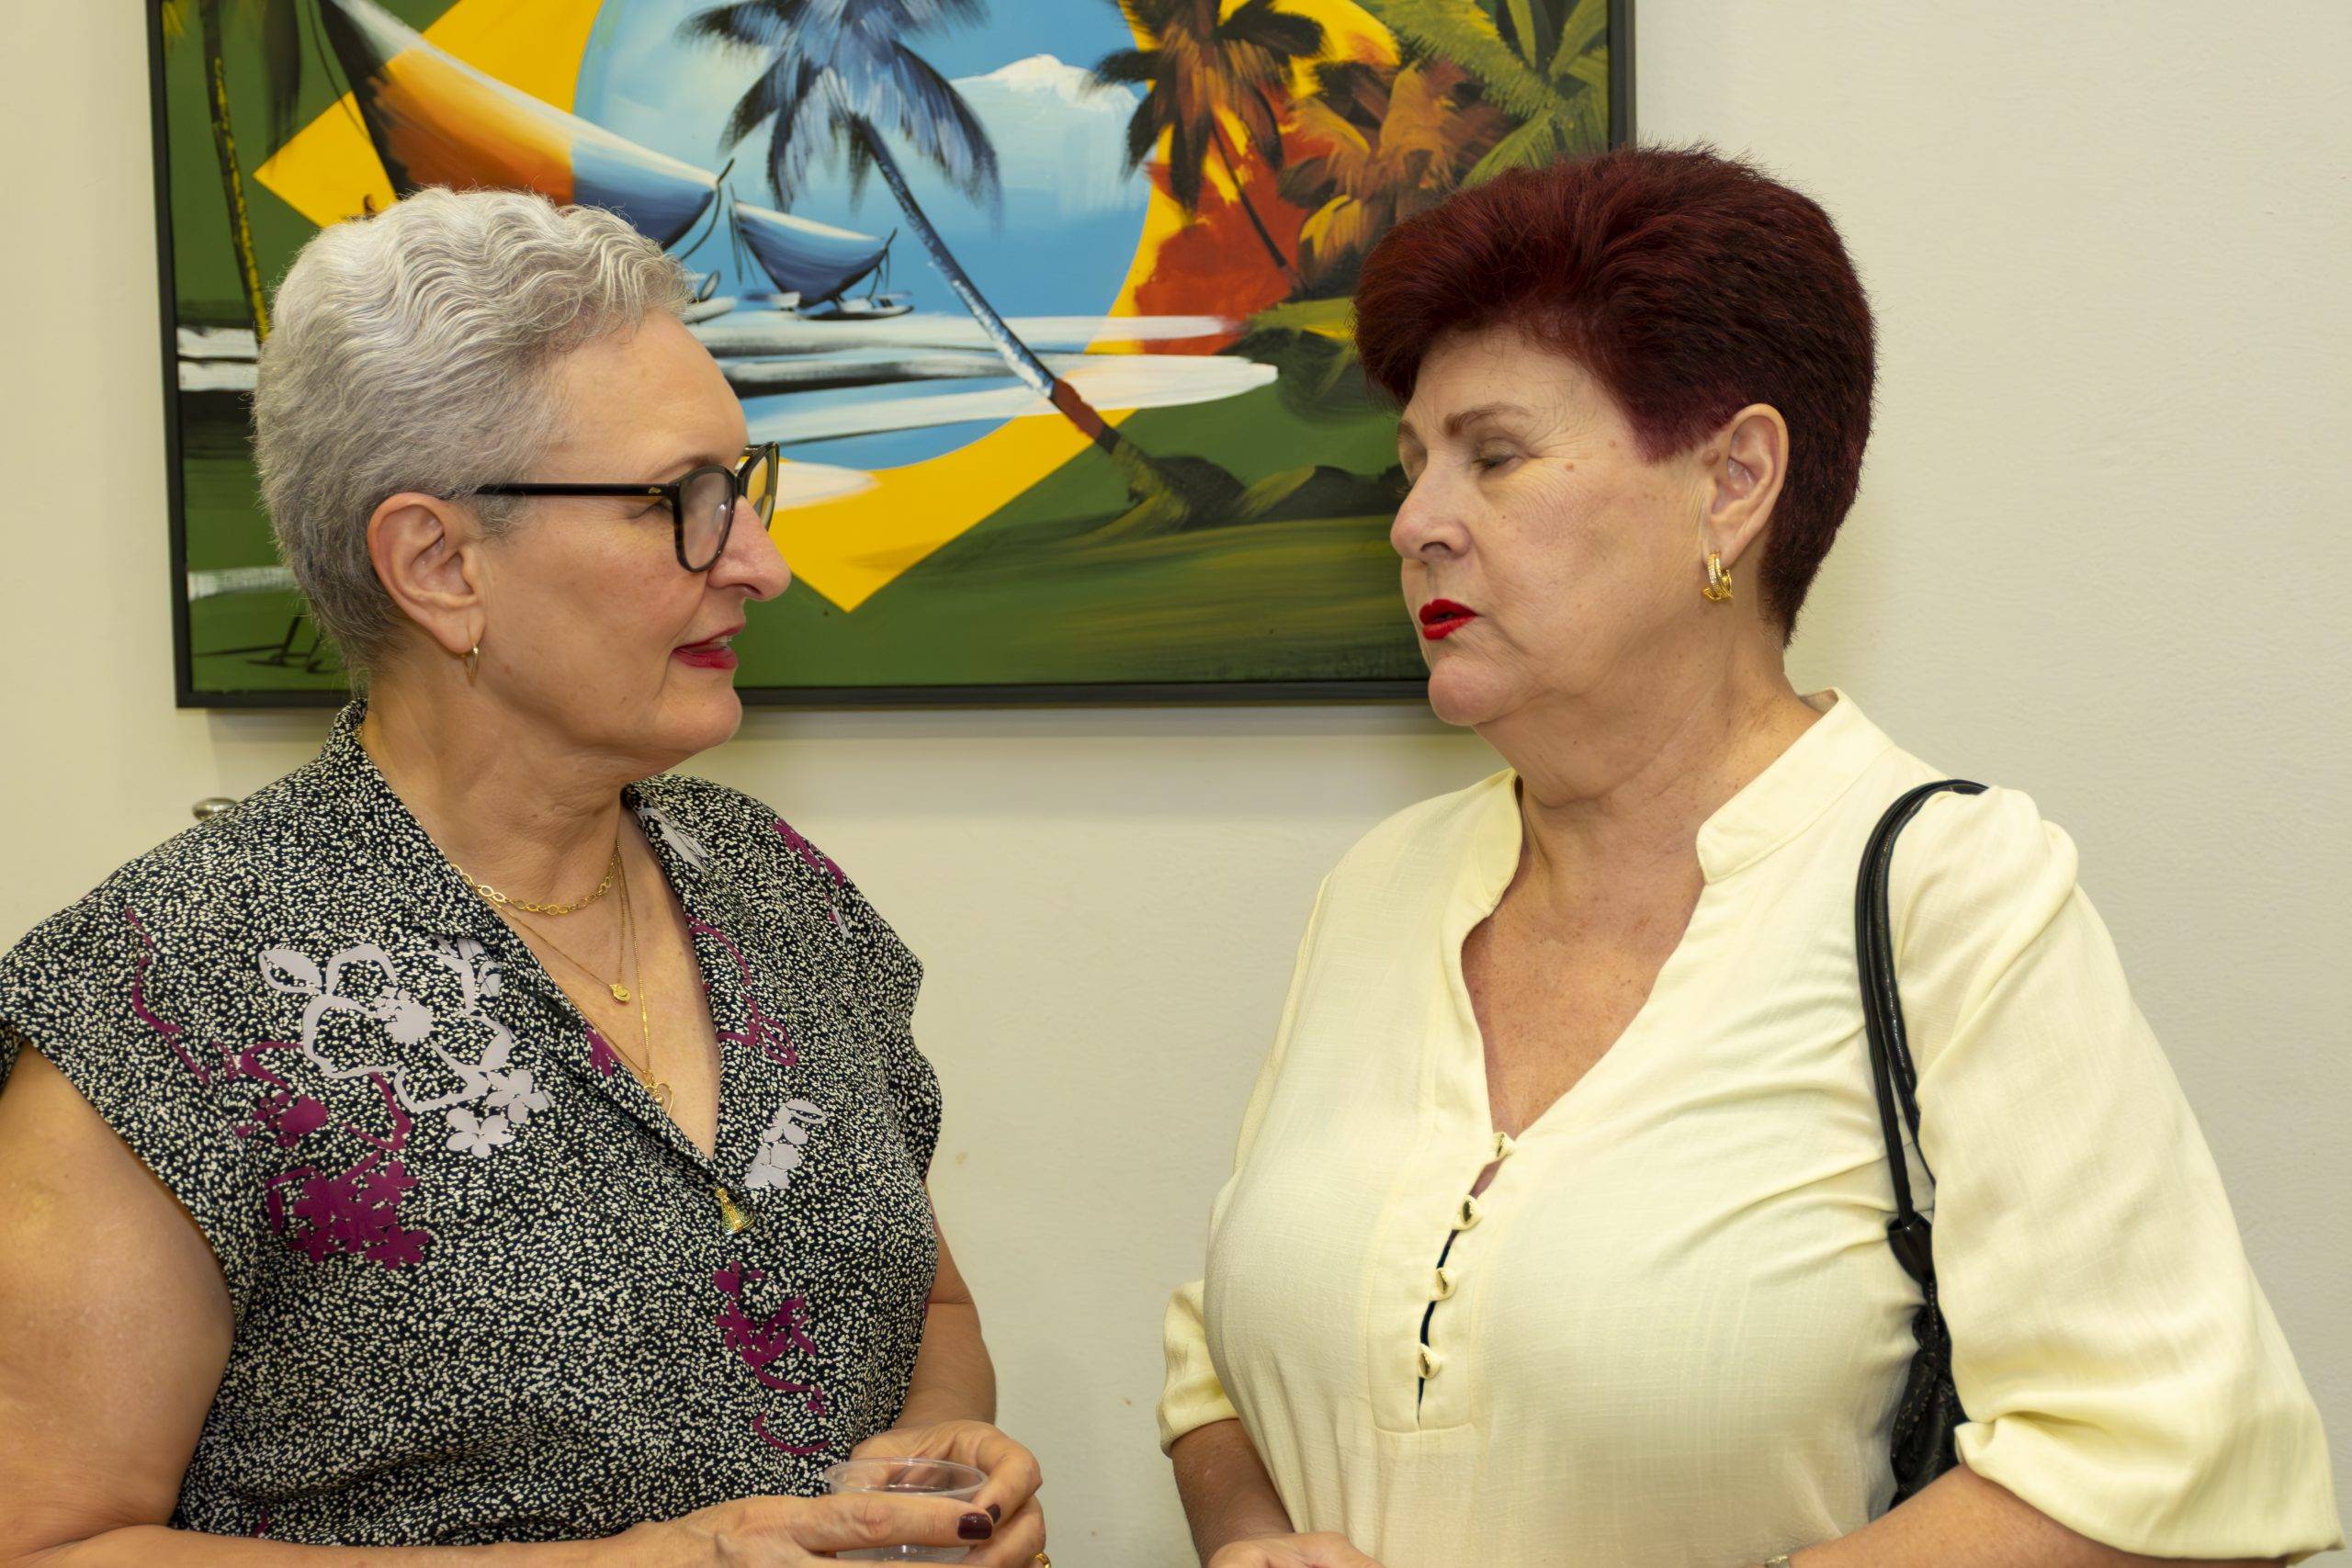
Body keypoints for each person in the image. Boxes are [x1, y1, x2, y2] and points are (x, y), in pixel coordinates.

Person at [1158, 147, 2339, 1568]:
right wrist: (1249, 1538)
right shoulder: (1380, 886)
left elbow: (2164, 1459)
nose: (1414, 525)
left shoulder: (1949, 892)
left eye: (1495, 455)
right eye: (1414, 466)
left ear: (1733, 483)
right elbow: (1217, 1362)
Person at [0, 188, 1046, 1566]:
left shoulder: (772, 889)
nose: (762, 563)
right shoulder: (162, 996)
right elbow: (51, 1542)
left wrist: (932, 1462)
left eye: (745, 487)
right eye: (681, 504)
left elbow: (929, 1312)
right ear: (439, 565)